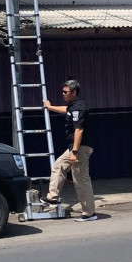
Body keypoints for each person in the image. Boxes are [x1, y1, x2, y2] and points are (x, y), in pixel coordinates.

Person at [42, 79, 97, 222]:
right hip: (74, 147)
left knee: (80, 179)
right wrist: (50, 107)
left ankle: (89, 213)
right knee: (59, 165)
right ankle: (52, 198)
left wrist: (74, 152)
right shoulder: (73, 106)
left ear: (74, 92)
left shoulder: (79, 107)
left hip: (80, 148)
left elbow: (79, 130)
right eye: (63, 91)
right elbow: (66, 110)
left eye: (66, 92)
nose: (63, 94)